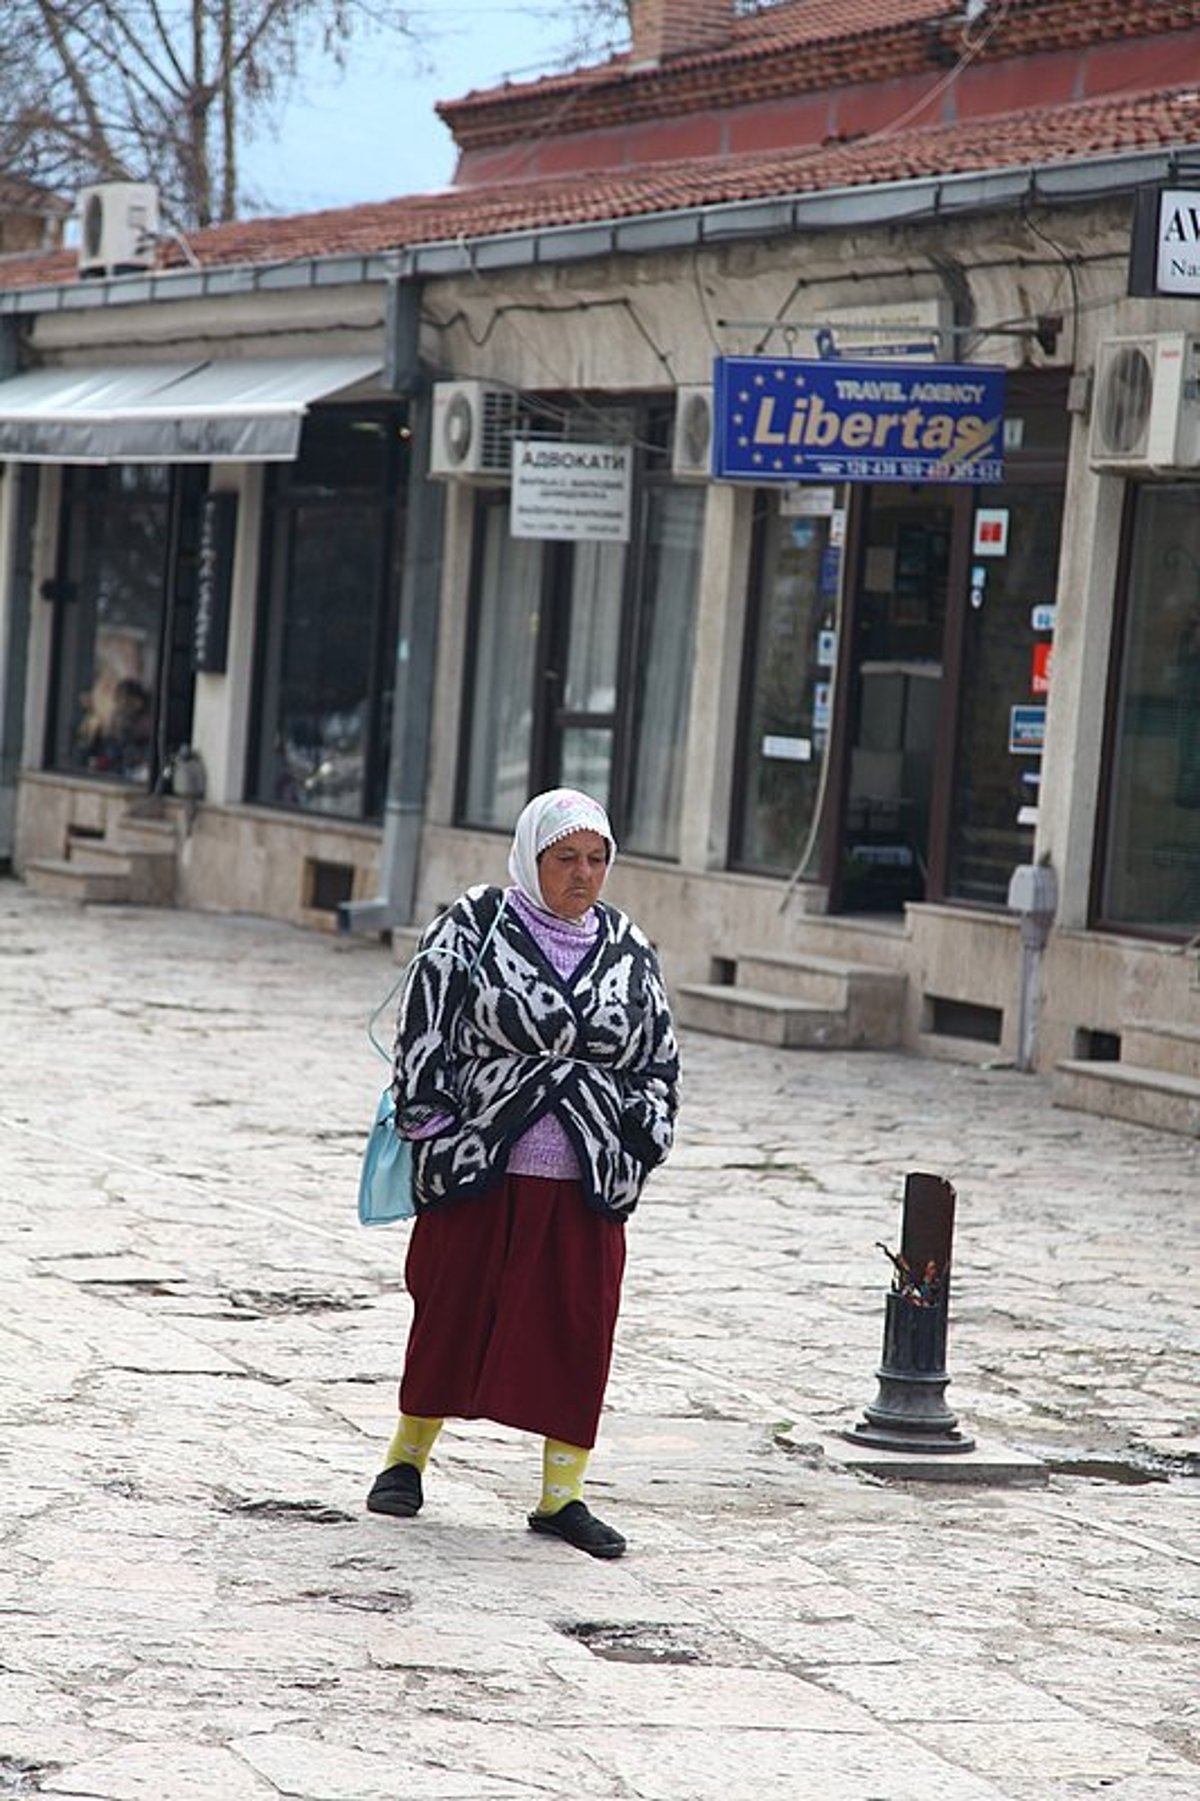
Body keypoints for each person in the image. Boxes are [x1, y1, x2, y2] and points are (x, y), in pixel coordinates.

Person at [366, 787, 680, 1558]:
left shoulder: (631, 947)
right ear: (531, 857)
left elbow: (658, 1060)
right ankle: (406, 1459)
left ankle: (561, 1494)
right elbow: (425, 1027)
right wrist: (433, 1120)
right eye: (566, 857)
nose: (583, 874)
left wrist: (640, 1136)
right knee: (450, 1310)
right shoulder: (474, 926)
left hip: (585, 1178)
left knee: (578, 1326)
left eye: (597, 859)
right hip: (482, 1165)